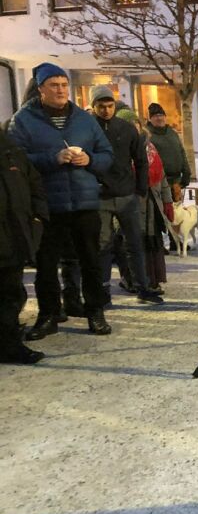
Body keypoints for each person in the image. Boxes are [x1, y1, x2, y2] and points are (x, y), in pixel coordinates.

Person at [9, 63, 114, 339]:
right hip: (47, 205)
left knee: (91, 261)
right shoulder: (24, 120)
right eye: (54, 85)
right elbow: (14, 160)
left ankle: (95, 312)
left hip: (84, 201)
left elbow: (106, 154)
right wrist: (51, 159)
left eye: (64, 85)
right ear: (40, 89)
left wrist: (89, 159)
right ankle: (48, 316)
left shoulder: (84, 118)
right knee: (46, 265)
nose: (60, 90)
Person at [88, 85, 162, 305]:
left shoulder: (126, 128)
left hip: (126, 194)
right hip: (99, 195)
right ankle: (103, 291)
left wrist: (139, 189)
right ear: (94, 107)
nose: (106, 110)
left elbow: (140, 161)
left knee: (134, 243)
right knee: (103, 245)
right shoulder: (87, 128)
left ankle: (142, 286)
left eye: (110, 106)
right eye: (101, 106)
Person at [0, 128, 48, 364]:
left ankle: (9, 345)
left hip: (14, 236)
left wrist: (38, 219)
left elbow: (34, 183)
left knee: (12, 293)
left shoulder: (10, 147)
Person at [117, 109, 171, 295]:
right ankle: (132, 279)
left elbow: (161, 177)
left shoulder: (150, 147)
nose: (134, 127)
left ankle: (153, 280)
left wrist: (168, 202)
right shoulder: (119, 149)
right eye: (129, 125)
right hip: (130, 203)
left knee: (152, 242)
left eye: (136, 123)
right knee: (132, 244)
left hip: (152, 203)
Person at [146, 102, 190, 252]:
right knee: (159, 212)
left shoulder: (172, 133)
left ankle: (175, 240)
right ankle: (159, 244)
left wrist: (187, 171)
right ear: (150, 119)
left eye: (161, 115)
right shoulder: (148, 135)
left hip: (175, 180)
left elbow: (181, 152)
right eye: (155, 116)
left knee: (175, 212)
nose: (159, 118)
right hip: (158, 181)